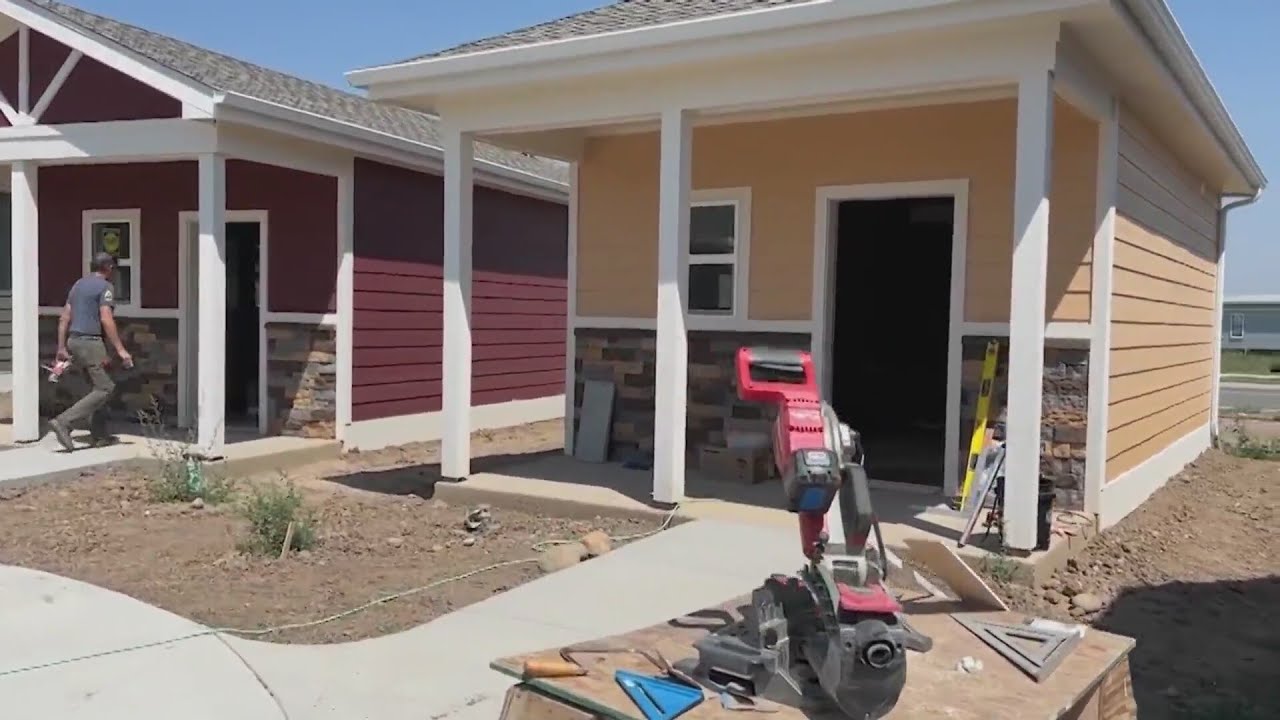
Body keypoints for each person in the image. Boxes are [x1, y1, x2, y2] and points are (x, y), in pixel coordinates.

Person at [47, 252, 134, 451]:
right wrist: (121, 350)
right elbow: (106, 318)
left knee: (96, 388)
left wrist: (61, 347)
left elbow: (64, 317)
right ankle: (64, 421)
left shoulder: (78, 285)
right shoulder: (105, 287)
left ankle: (99, 435)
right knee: (105, 388)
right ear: (109, 267)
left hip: (74, 341)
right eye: (113, 267)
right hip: (90, 342)